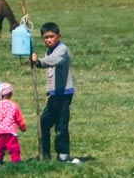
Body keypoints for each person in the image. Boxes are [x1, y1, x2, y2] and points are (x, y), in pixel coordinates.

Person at [28, 22, 79, 164]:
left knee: (61, 125)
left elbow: (54, 61)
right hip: (54, 94)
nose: (49, 40)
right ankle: (45, 154)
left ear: (59, 36)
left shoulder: (62, 50)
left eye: (52, 36)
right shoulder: (49, 51)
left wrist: (38, 62)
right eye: (46, 37)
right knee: (44, 122)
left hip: (64, 94)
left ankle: (63, 155)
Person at [0, 82, 25, 165]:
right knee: (14, 147)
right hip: (10, 132)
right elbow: (19, 118)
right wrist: (23, 127)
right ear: (11, 94)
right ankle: (16, 161)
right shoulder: (14, 105)